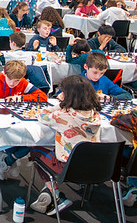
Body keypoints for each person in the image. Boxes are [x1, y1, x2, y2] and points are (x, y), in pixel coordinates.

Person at [29, 75, 103, 214]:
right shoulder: (95, 114)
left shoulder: (63, 115)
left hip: (67, 168)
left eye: (63, 92)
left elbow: (41, 115)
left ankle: (56, 195)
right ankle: (50, 193)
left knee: (36, 151)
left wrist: (60, 105)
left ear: (69, 96)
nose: (60, 94)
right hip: (94, 167)